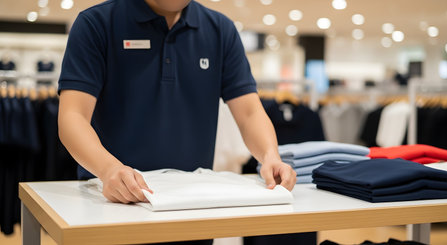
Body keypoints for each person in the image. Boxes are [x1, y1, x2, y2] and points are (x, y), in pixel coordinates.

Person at [58, 0, 295, 209]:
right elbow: (73, 116)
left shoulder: (220, 30)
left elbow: (250, 113)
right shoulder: (96, 23)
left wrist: (270, 156)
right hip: (110, 197)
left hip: (190, 202)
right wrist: (108, 169)